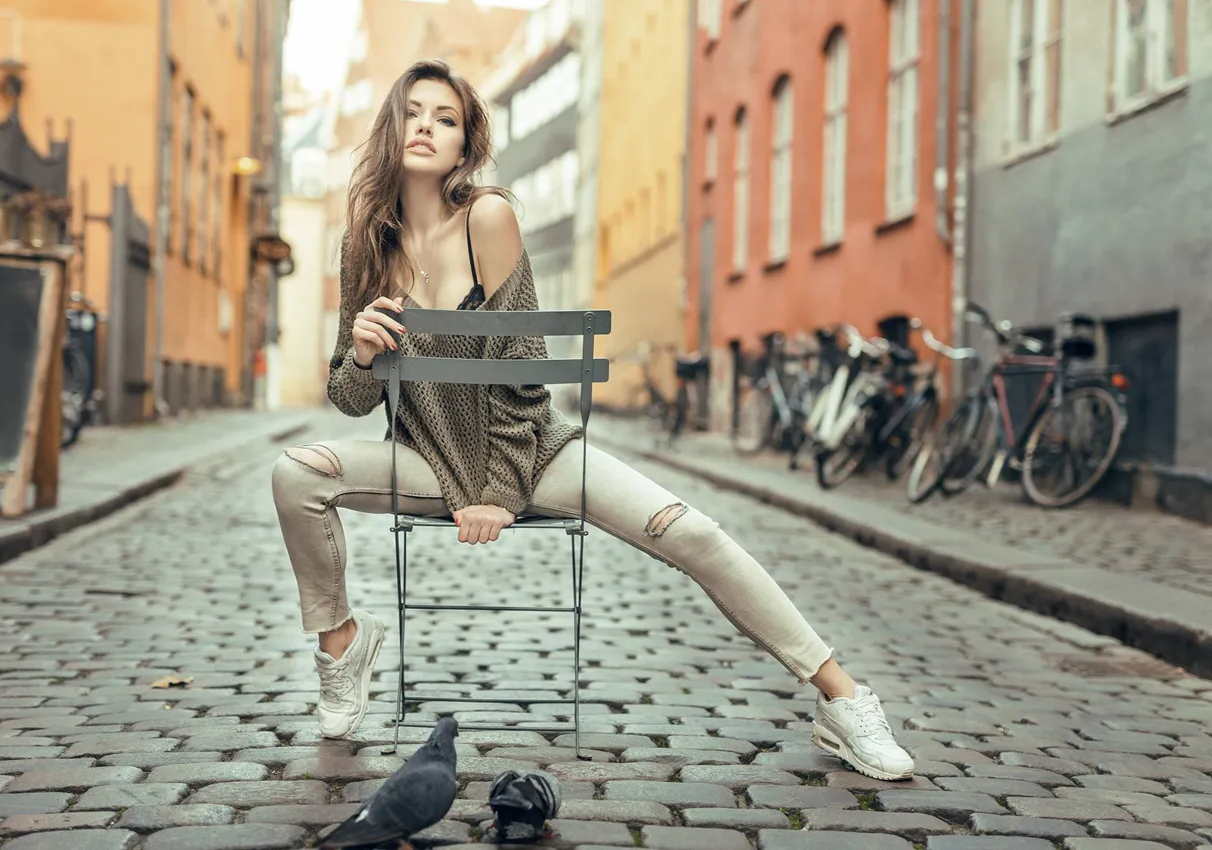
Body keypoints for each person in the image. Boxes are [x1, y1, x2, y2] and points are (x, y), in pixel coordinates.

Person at [270, 59, 915, 782]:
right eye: (413, 112)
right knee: (293, 474)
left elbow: (523, 370)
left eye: (445, 117)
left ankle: (843, 699)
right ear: (392, 128)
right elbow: (350, 398)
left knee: (693, 533)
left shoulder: (488, 218)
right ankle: (342, 646)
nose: (426, 126)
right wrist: (361, 354)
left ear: (464, 145)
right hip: (425, 459)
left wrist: (500, 493)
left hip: (532, 456)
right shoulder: (363, 247)